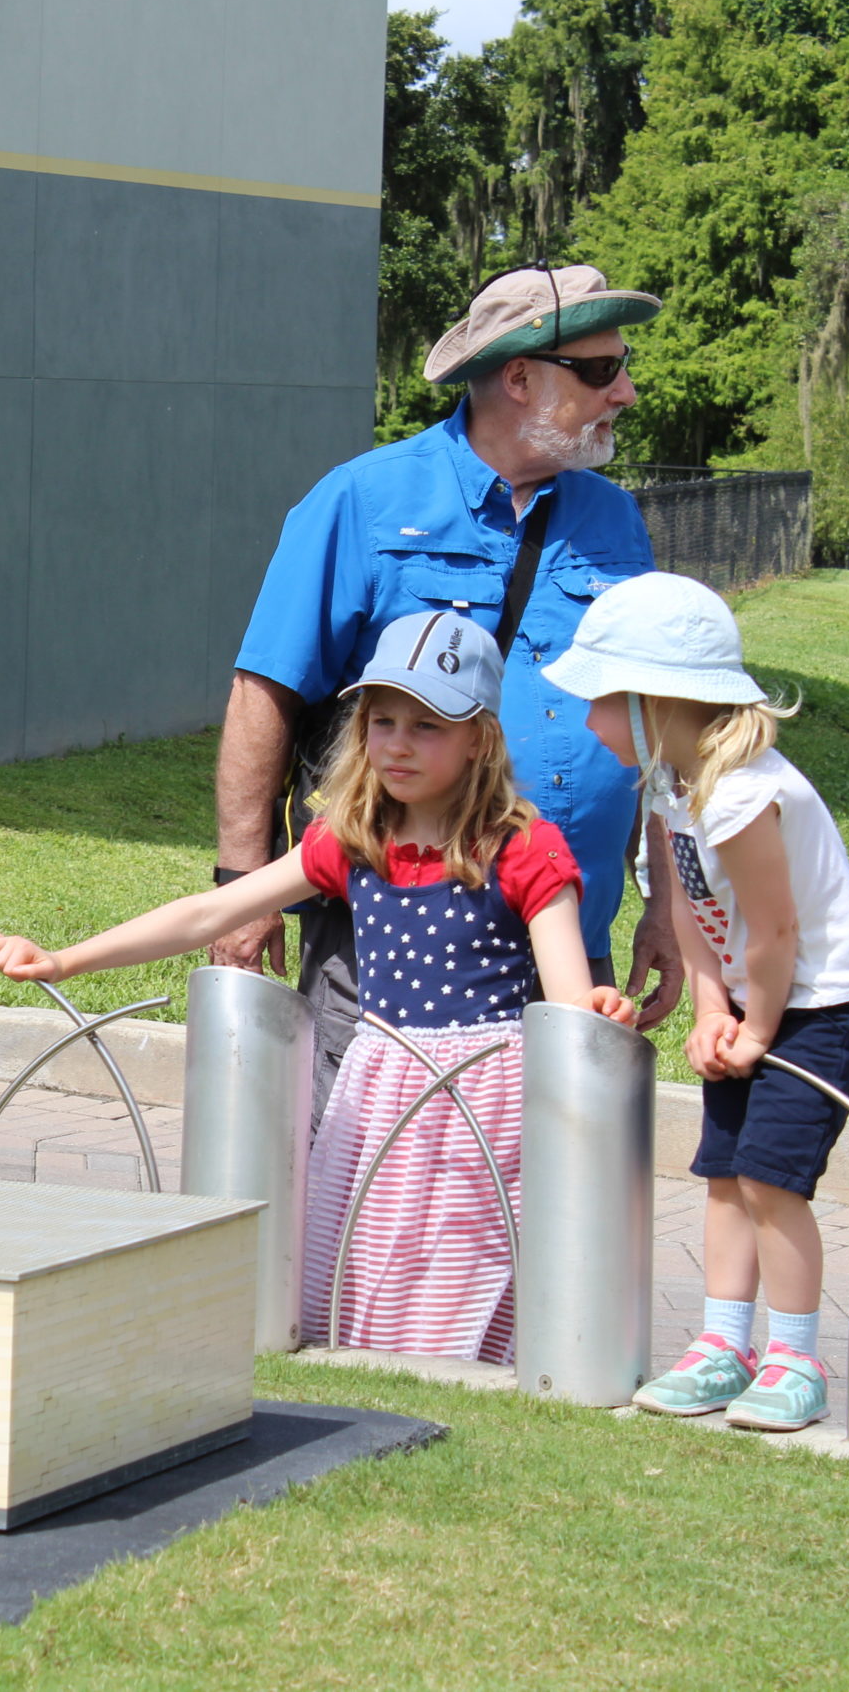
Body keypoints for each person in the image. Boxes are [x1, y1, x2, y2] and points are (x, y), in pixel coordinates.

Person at [0, 612, 633, 1362]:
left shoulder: (523, 848)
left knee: (452, 1293)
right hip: (376, 1095)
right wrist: (64, 960)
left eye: (427, 726)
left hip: (481, 1108)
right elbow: (210, 912)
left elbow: (569, 1002)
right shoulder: (352, 838)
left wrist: (597, 1009)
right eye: (383, 721)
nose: (397, 743)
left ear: (479, 739)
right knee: (356, 1283)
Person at [212, 263, 681, 1124]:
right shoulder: (362, 500)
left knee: (553, 1185)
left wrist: (667, 903)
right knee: (376, 1171)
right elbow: (263, 690)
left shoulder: (615, 518)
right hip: (395, 946)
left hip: (567, 938)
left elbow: (655, 723)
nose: (627, 391)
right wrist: (241, 886)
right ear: (519, 377)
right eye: (601, 370)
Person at [544, 573, 849, 1432]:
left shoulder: (741, 793)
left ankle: (796, 1360)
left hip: (828, 1005)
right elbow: (692, 913)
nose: (588, 720)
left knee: (770, 1176)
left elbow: (775, 929)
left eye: (601, 699)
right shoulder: (674, 786)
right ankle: (724, 1345)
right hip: (753, 999)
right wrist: (712, 1010)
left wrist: (758, 1029)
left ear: (656, 701)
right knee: (724, 1172)